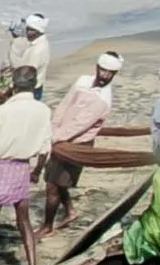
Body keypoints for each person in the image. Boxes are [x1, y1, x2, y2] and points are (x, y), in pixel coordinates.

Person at [0, 66, 53, 265]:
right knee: (24, 221)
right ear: (34, 85)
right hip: (22, 168)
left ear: (13, 85)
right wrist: (36, 172)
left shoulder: (3, 111)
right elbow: (45, 147)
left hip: (1, 168)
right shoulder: (43, 110)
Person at [42, 51, 122, 230]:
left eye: (110, 73)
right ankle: (70, 211)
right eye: (103, 70)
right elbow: (65, 105)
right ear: (97, 67)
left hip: (77, 144)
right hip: (59, 137)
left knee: (53, 186)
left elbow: (79, 125)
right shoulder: (82, 81)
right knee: (55, 181)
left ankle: (47, 226)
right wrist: (53, 128)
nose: (105, 75)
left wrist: (54, 138)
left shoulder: (103, 100)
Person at [0, 13, 50, 92]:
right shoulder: (41, 43)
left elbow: (25, 72)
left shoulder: (36, 50)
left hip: (29, 88)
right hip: (36, 85)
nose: (28, 32)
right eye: (27, 29)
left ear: (39, 30)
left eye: (32, 30)